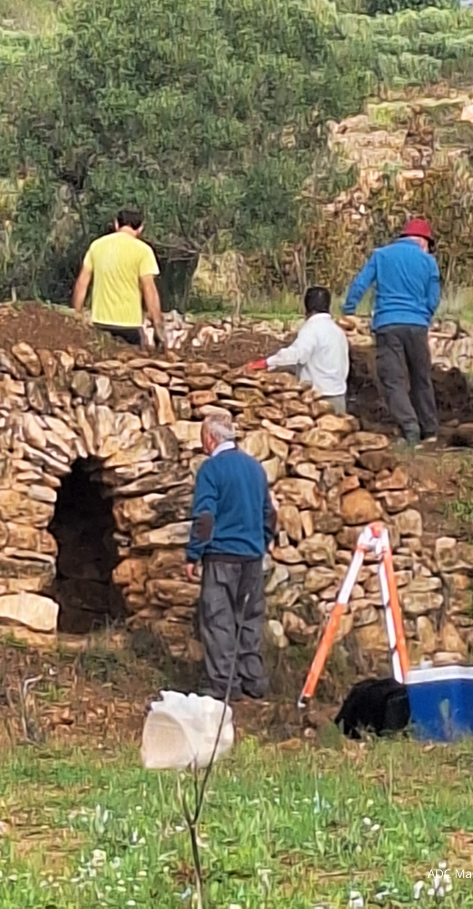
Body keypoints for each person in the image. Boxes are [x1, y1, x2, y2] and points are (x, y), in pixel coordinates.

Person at [184, 413, 275, 702]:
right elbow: (269, 515)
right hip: (251, 556)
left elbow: (205, 517)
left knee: (218, 620)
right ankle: (254, 681)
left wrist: (193, 555)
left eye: (203, 440)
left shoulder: (211, 470)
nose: (202, 446)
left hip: (221, 556)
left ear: (211, 438)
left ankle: (224, 685)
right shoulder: (255, 468)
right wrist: (261, 542)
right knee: (249, 618)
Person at [343, 218, 441, 447]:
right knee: (421, 377)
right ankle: (430, 430)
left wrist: (349, 308)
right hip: (417, 326)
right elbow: (433, 296)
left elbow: (360, 283)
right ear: (423, 241)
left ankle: (409, 429)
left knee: (393, 380)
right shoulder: (428, 261)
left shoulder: (382, 255)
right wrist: (424, 315)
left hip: (388, 325)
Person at [72, 208, 165, 348]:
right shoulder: (143, 251)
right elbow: (149, 290)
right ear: (140, 228)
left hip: (100, 323)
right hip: (130, 325)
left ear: (116, 224)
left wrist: (77, 314)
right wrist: (157, 326)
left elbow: (82, 284)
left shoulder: (97, 246)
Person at [248, 286, 350, 413]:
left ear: (307, 308)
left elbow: (295, 355)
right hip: (339, 395)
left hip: (319, 398)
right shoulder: (338, 331)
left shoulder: (311, 329)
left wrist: (266, 363)